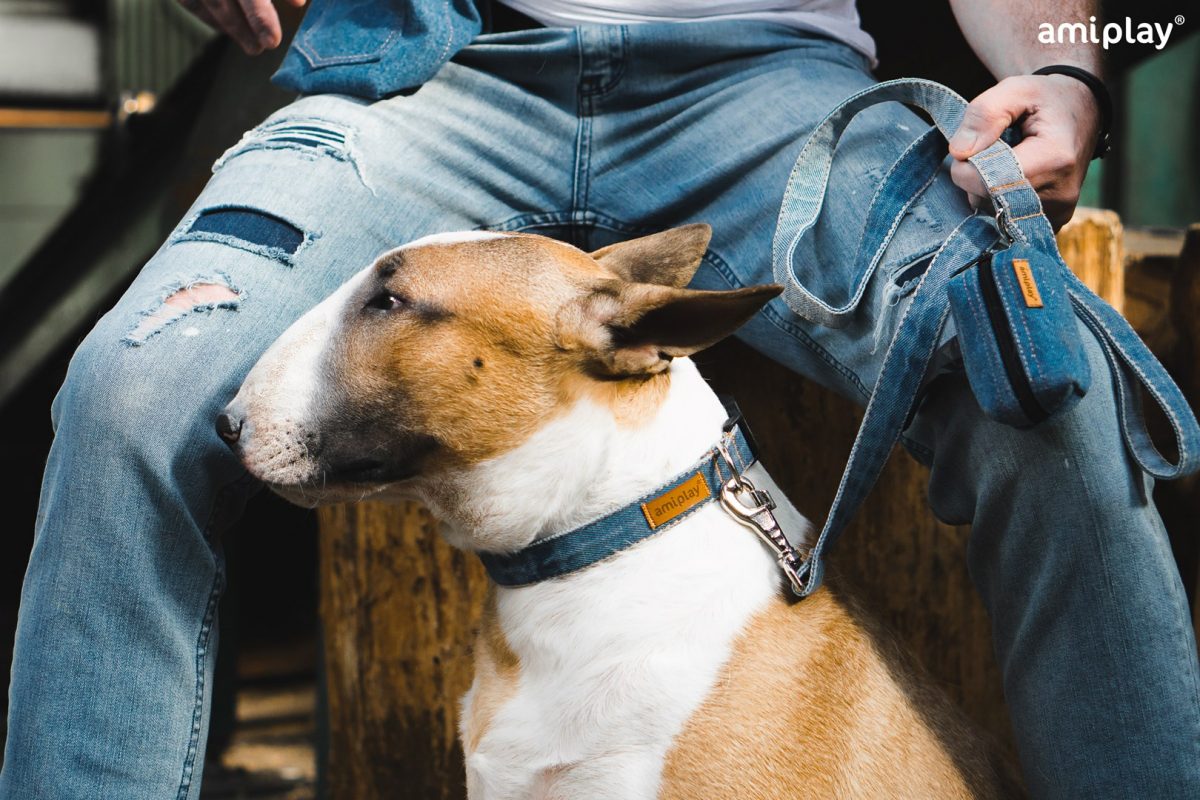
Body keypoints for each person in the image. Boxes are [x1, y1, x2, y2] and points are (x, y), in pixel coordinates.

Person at [2, 0, 1197, 797]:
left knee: (1045, 385)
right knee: (132, 391)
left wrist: (1064, 64)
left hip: (768, 86)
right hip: (435, 69)